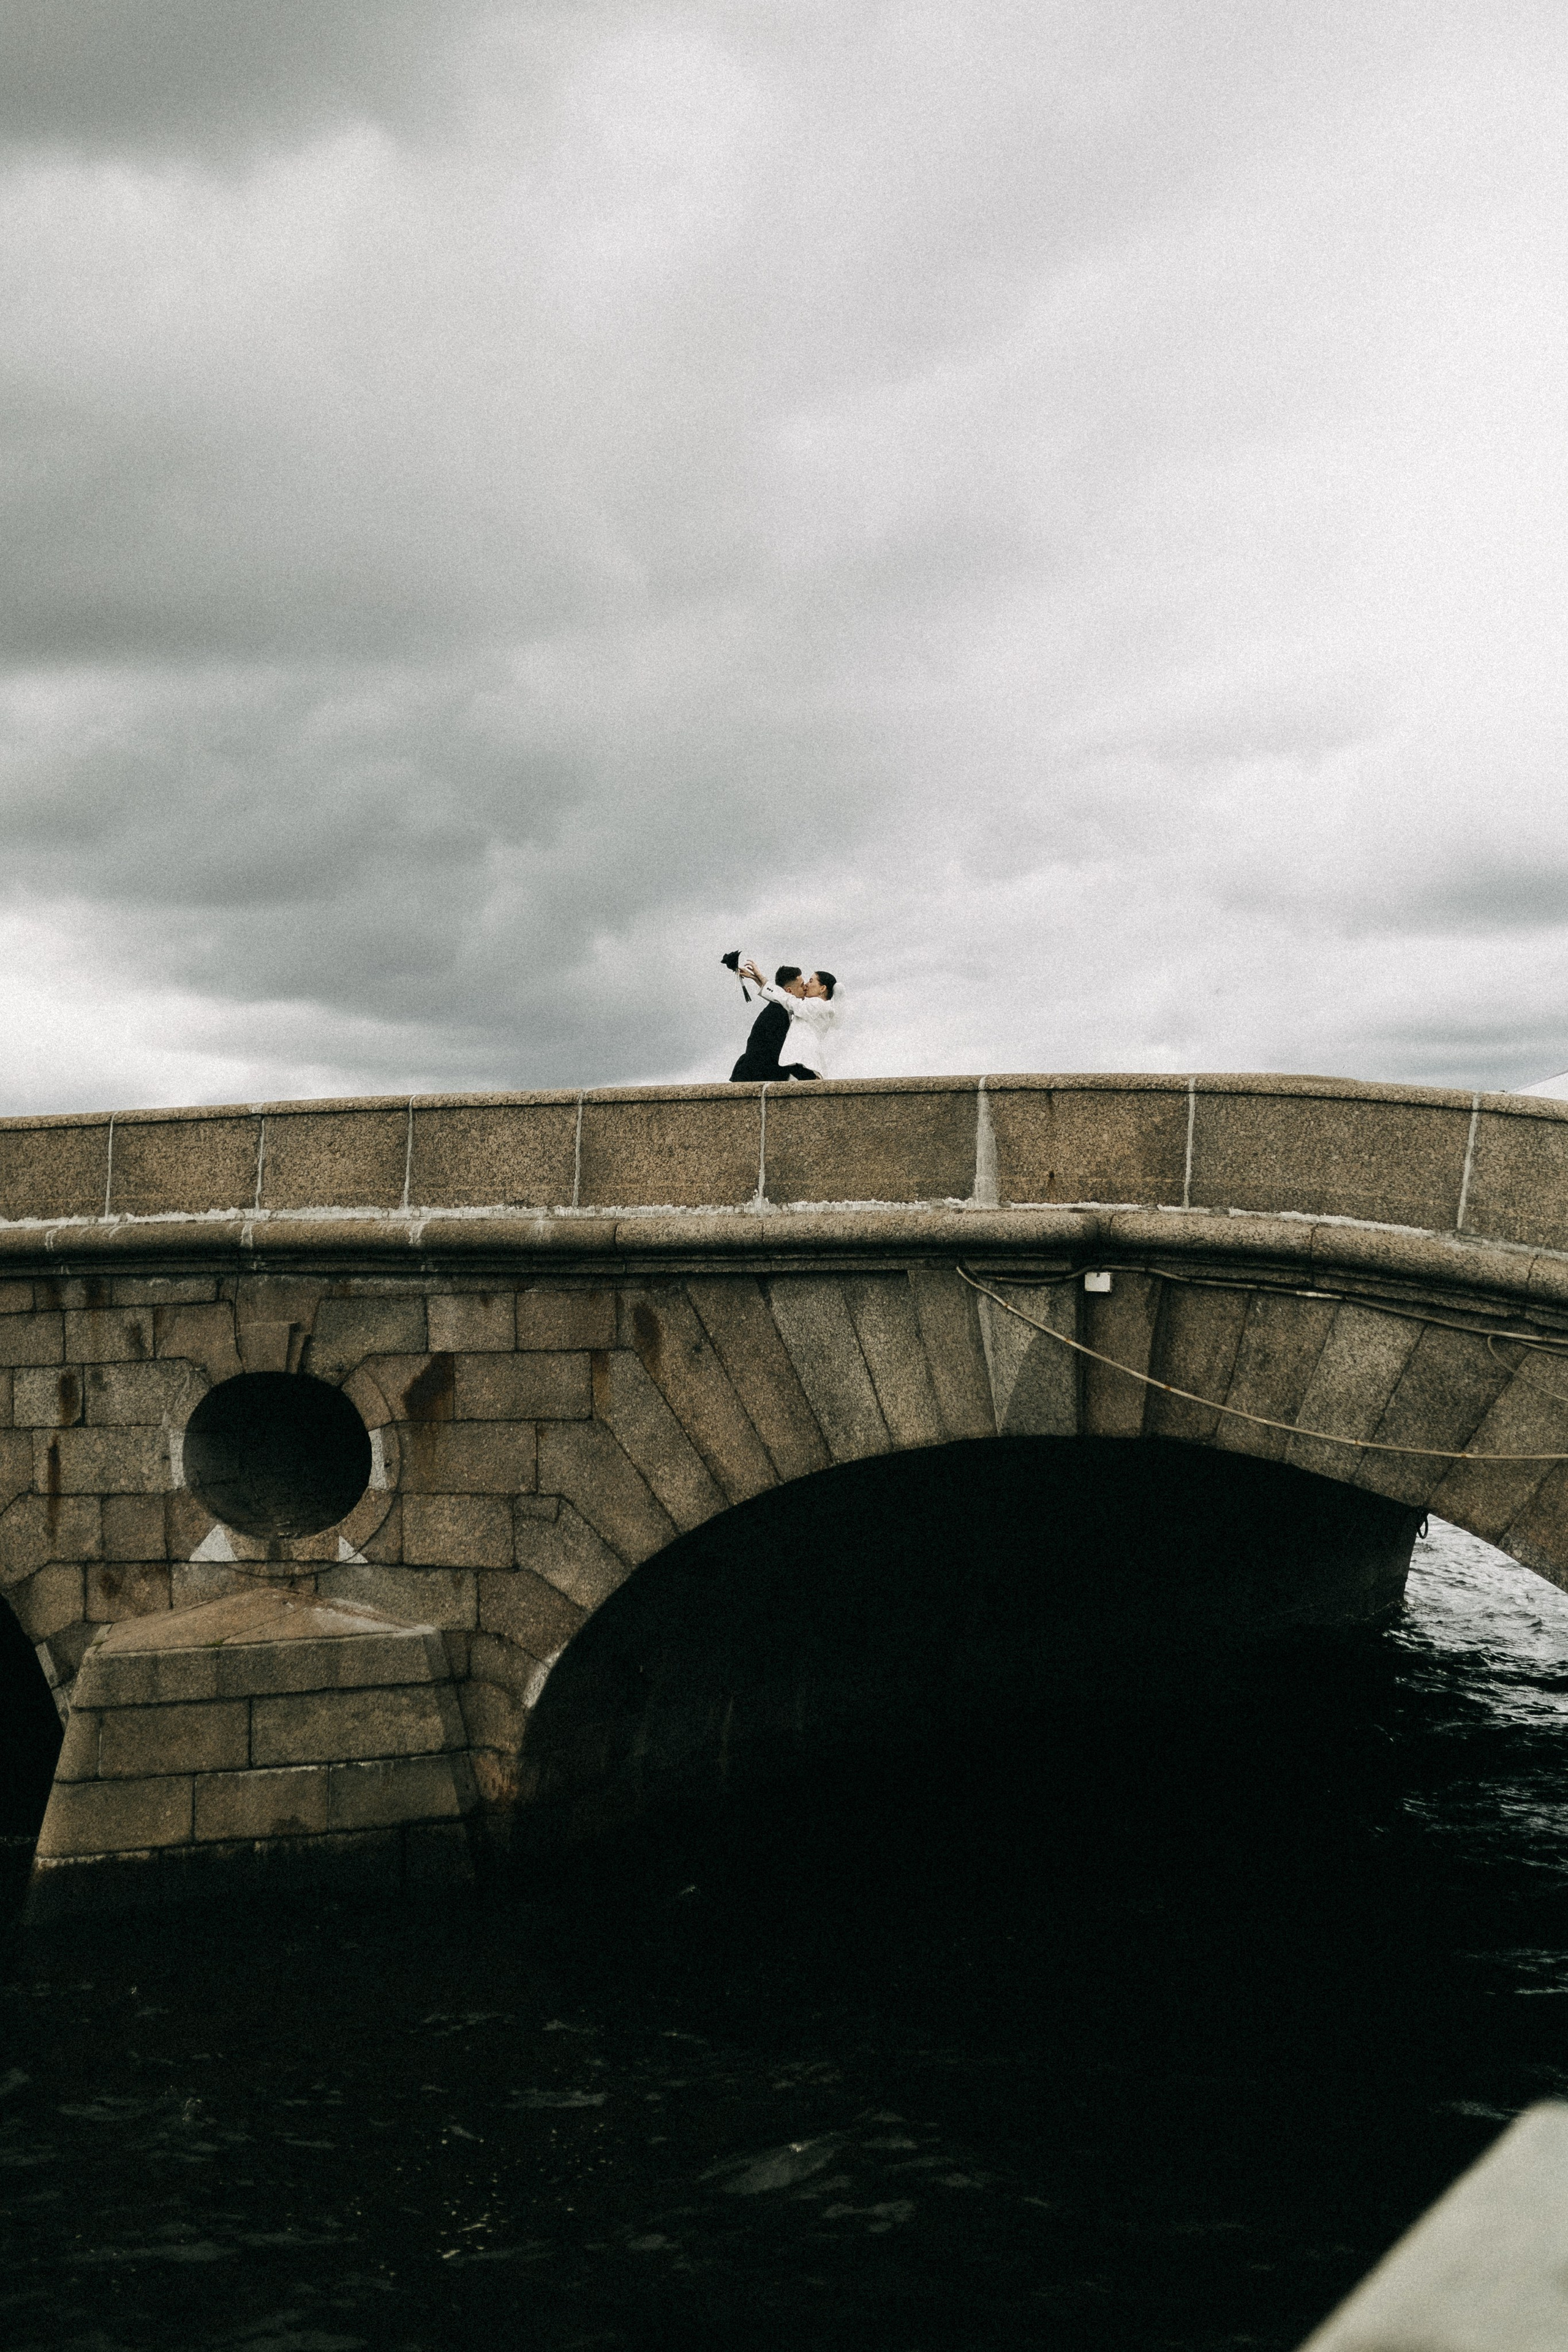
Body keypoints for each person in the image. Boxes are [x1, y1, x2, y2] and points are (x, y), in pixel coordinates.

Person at [741, 960, 839, 1079]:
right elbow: (784, 998)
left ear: (822, 988)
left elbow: (787, 1000)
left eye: (810, 981)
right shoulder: (782, 1011)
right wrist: (757, 978)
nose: (806, 985)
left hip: (796, 1065)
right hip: (760, 1073)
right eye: (803, 984)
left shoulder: (818, 1006)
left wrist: (760, 978)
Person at [729, 965, 804, 1081]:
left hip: (758, 1075)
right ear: (790, 991)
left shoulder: (780, 1009)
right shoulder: (778, 1013)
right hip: (754, 1078)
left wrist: (756, 978)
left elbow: (774, 992)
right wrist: (808, 1077)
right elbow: (781, 1053)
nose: (805, 988)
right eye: (801, 985)